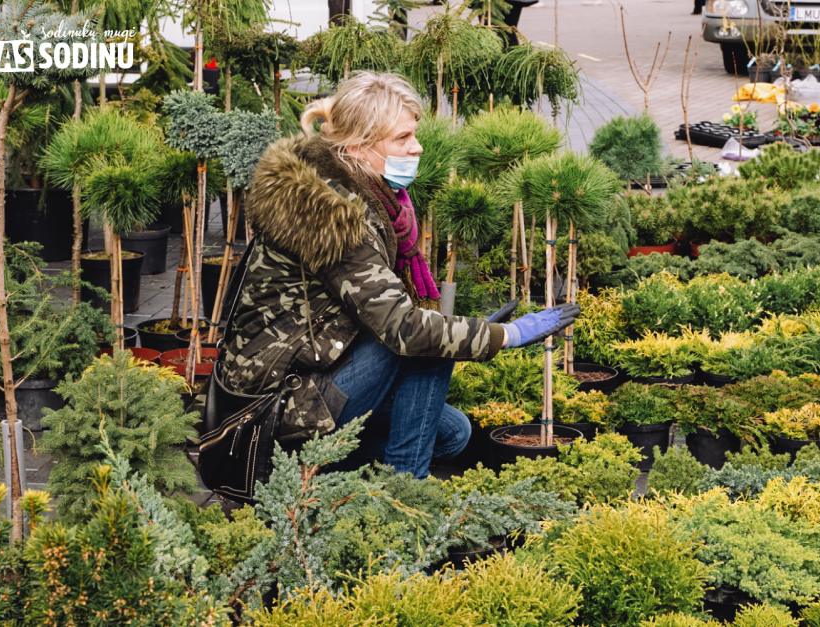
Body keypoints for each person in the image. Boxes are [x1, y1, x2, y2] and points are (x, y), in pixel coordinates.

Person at [221, 71, 579, 478]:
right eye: (402, 138)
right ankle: (405, 491)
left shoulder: (367, 192)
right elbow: (403, 328)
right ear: (356, 146)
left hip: (319, 366)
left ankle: (330, 476)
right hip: (276, 402)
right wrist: (506, 335)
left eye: (414, 134)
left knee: (453, 434)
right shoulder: (332, 214)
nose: (417, 146)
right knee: (428, 341)